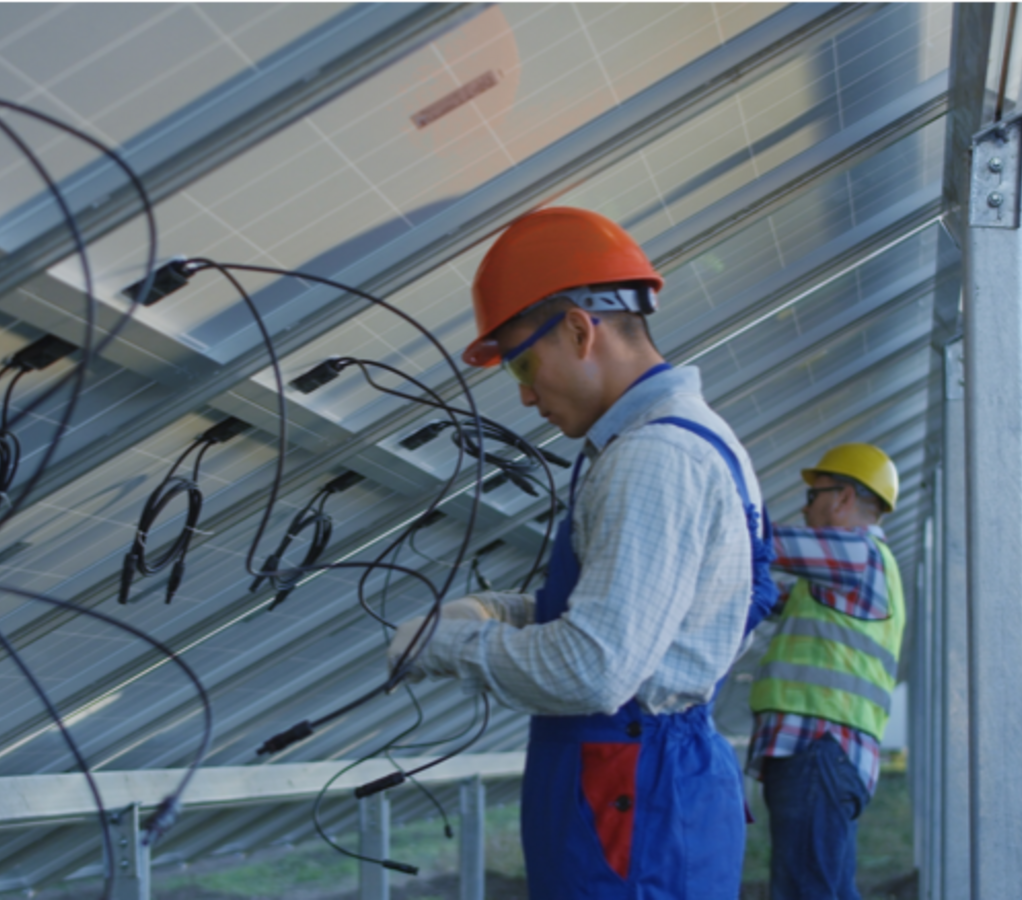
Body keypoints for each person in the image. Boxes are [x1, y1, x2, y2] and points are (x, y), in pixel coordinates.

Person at [387, 207, 766, 899]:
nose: (527, 395)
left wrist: (447, 647)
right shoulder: (674, 440)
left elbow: (592, 666)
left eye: (523, 364)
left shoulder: (653, 457)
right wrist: (497, 611)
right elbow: (639, 612)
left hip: (630, 796)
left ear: (578, 328)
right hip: (645, 785)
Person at [746, 443, 905, 900]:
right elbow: (770, 596)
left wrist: (712, 511)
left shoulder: (860, 554)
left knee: (806, 891)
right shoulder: (842, 577)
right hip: (831, 754)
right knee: (823, 888)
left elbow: (765, 546)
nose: (805, 506)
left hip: (818, 746)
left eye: (814, 496)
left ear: (843, 498)